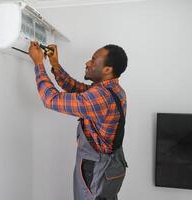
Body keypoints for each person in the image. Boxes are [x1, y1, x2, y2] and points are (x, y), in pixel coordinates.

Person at [29, 41, 128, 200]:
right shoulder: (112, 89)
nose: (87, 63)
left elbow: (50, 99)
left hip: (96, 166)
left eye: (93, 60)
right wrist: (55, 65)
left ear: (107, 69)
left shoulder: (101, 97)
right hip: (110, 165)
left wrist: (39, 64)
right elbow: (76, 89)